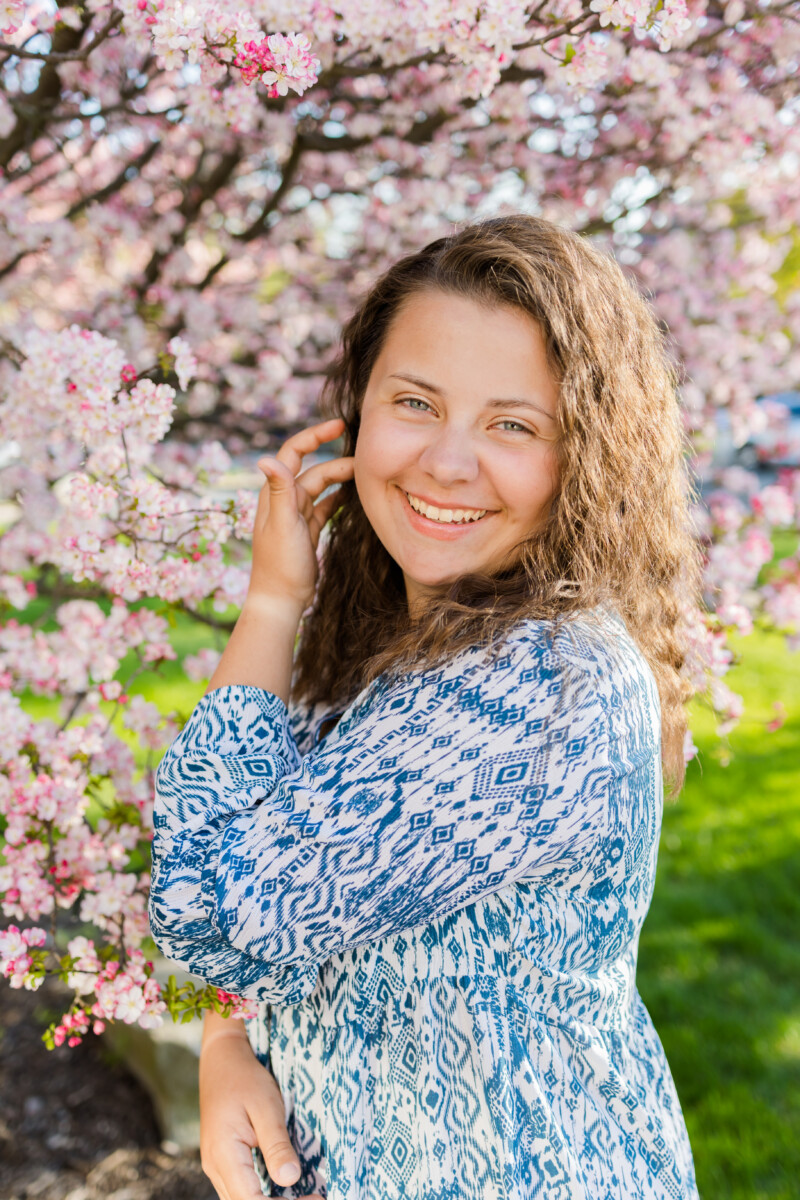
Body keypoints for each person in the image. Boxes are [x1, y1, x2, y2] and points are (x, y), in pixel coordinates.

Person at [148, 215, 702, 1200]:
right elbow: (273, 886)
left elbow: (206, 908)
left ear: (585, 456)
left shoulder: (543, 684)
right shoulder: (399, 633)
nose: (447, 464)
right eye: (415, 403)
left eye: (511, 425)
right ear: (357, 413)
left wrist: (273, 600)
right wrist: (229, 1036)